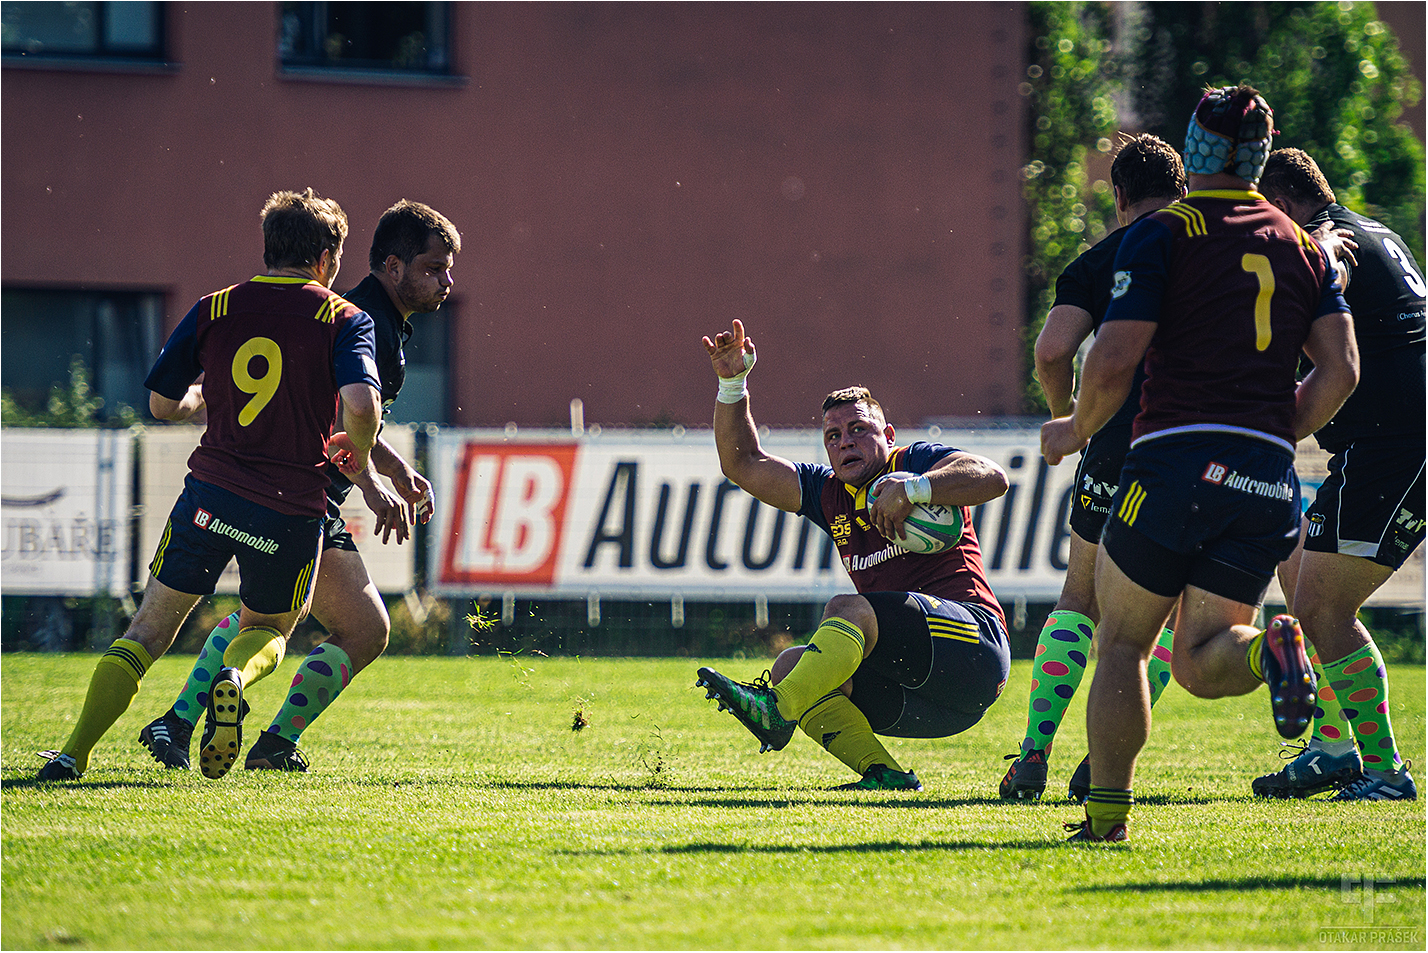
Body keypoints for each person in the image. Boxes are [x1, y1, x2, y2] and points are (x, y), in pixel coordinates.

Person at [1040, 86, 1359, 842]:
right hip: (1265, 480)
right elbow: (1342, 370)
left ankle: (1107, 817)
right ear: (1260, 156)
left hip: (1172, 464)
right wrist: (1275, 432)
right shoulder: (1304, 244)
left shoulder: (1164, 231)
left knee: (1123, 641)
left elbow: (1112, 358)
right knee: (1199, 658)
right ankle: (1272, 649)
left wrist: (1076, 428)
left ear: (1195, 147)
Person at [37, 188, 382, 781]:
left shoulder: (214, 307)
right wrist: (362, 448)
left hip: (210, 495)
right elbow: (361, 404)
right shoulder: (344, 318)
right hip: (290, 508)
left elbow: (160, 405)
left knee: (147, 632)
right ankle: (235, 677)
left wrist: (200, 396)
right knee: (267, 628)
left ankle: (73, 754)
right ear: (326, 257)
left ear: (269, 247)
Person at [137, 200, 461, 773]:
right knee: (353, 627)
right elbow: (336, 421)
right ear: (393, 266)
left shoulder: (375, 318)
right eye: (434, 269)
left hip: (292, 492)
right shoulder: (359, 320)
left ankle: (193, 724)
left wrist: (392, 467)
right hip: (301, 496)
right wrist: (371, 480)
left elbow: (346, 419)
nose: (446, 282)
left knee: (297, 621)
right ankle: (255, 739)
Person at [693, 320, 1012, 790]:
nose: (845, 441)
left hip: (975, 653)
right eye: (833, 436)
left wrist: (917, 488)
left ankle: (776, 711)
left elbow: (993, 477)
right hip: (922, 701)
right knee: (791, 666)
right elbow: (743, 464)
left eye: (858, 429)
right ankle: (884, 774)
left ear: (888, 434)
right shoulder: (829, 493)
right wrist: (731, 384)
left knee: (846, 609)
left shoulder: (914, 462)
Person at [1001, 134, 1187, 803]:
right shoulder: (1209, 251)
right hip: (1192, 446)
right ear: (1183, 189)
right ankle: (1101, 761)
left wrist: (1071, 421)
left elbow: (1052, 352)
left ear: (1117, 195)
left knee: (1078, 598)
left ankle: (1033, 752)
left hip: (1113, 443)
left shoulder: (1099, 260)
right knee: (1163, 618)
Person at [1249, 148, 1423, 801]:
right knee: (1297, 572)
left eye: (1261, 215)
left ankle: (1385, 771)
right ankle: (1332, 746)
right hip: (1380, 446)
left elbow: (1332, 273)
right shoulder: (1370, 227)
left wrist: (1314, 258)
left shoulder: (1331, 240)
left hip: (1397, 448)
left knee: (1324, 607)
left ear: (1283, 204)